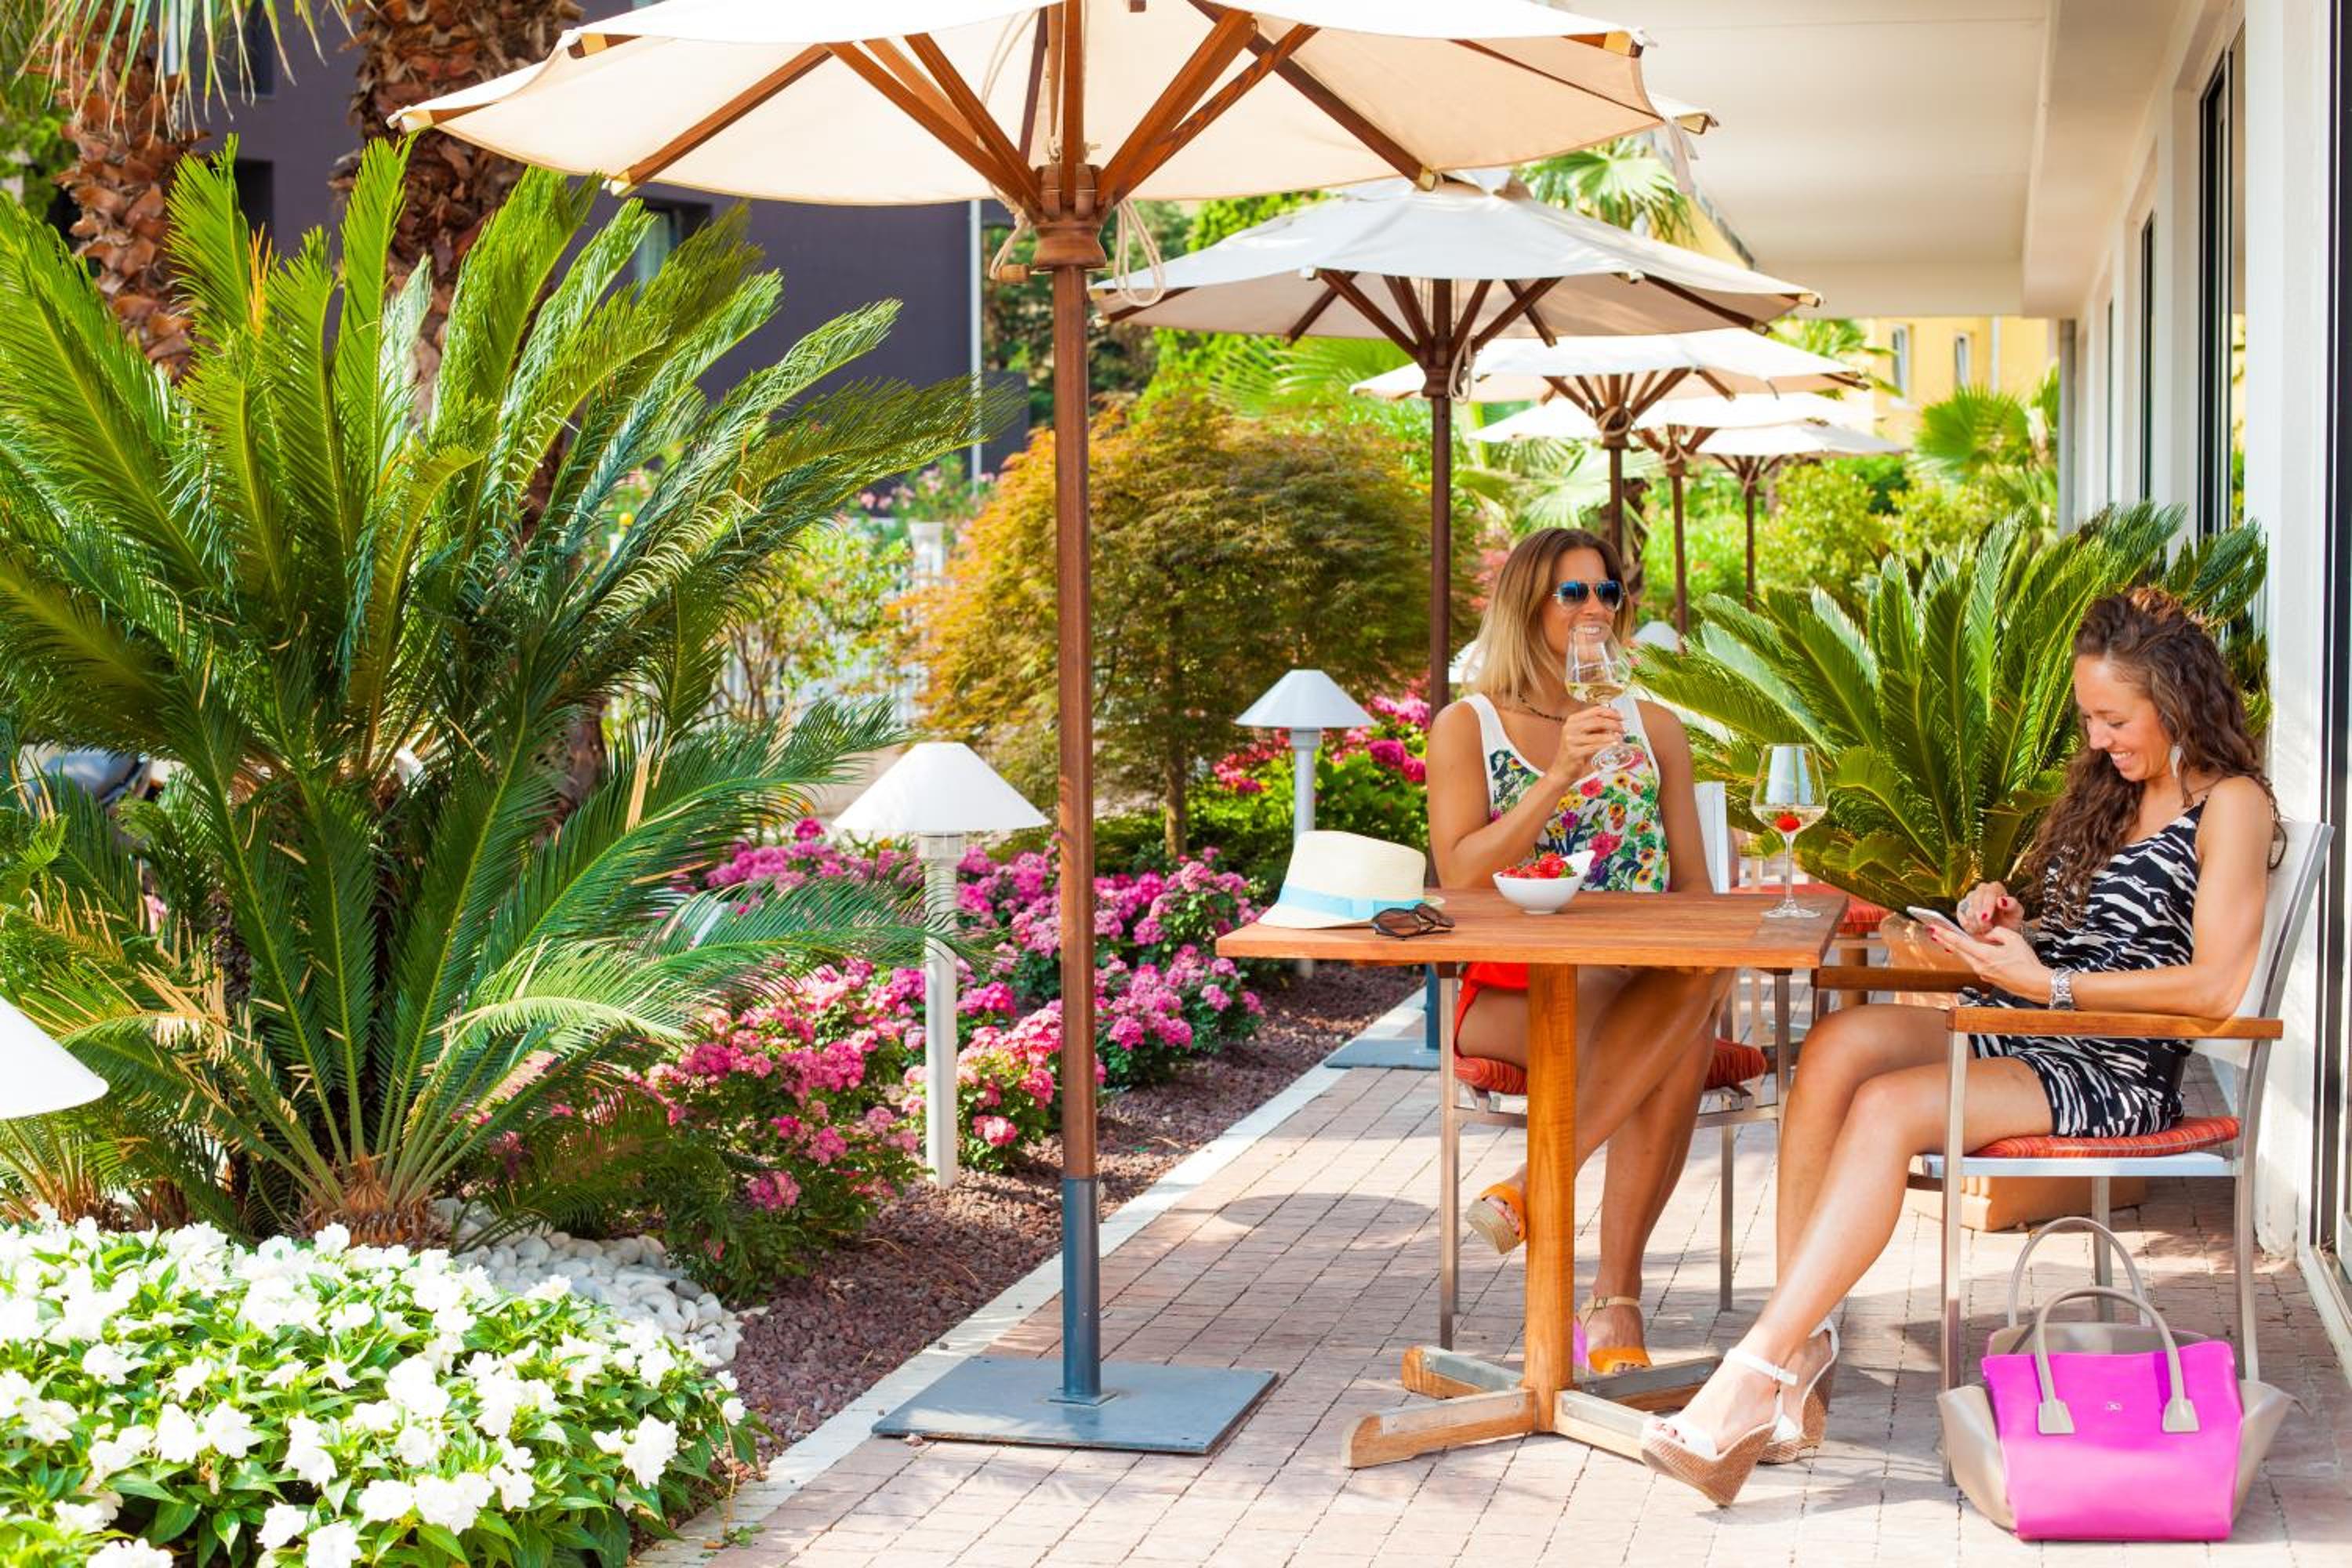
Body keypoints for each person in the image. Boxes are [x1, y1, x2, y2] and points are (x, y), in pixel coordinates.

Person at [1642, 586, 2277, 1505]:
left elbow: (2216, 985)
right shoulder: (2114, 792)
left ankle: (1754, 1371)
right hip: (2031, 1019)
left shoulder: (2232, 806)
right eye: (2089, 718)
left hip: (2115, 1061)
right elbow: (2081, 936)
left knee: (1888, 1103)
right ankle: (1803, 1350)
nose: (2098, 738)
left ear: (2178, 700)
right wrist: (2007, 918)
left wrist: (2050, 985)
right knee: (1836, 1044)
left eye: (2115, 718)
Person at [1427, 526, 1731, 1373]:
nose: (1596, 606)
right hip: (1512, 989)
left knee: (1692, 990)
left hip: (1644, 975)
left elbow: (1696, 893)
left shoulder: (1655, 728)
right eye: (1574, 592)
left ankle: (1531, 1194)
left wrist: (1695, 954)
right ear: (1528, 602)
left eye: (1608, 591)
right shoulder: (1468, 725)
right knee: (1678, 1039)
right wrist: (1559, 773)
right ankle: (1614, 1304)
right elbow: (1459, 875)